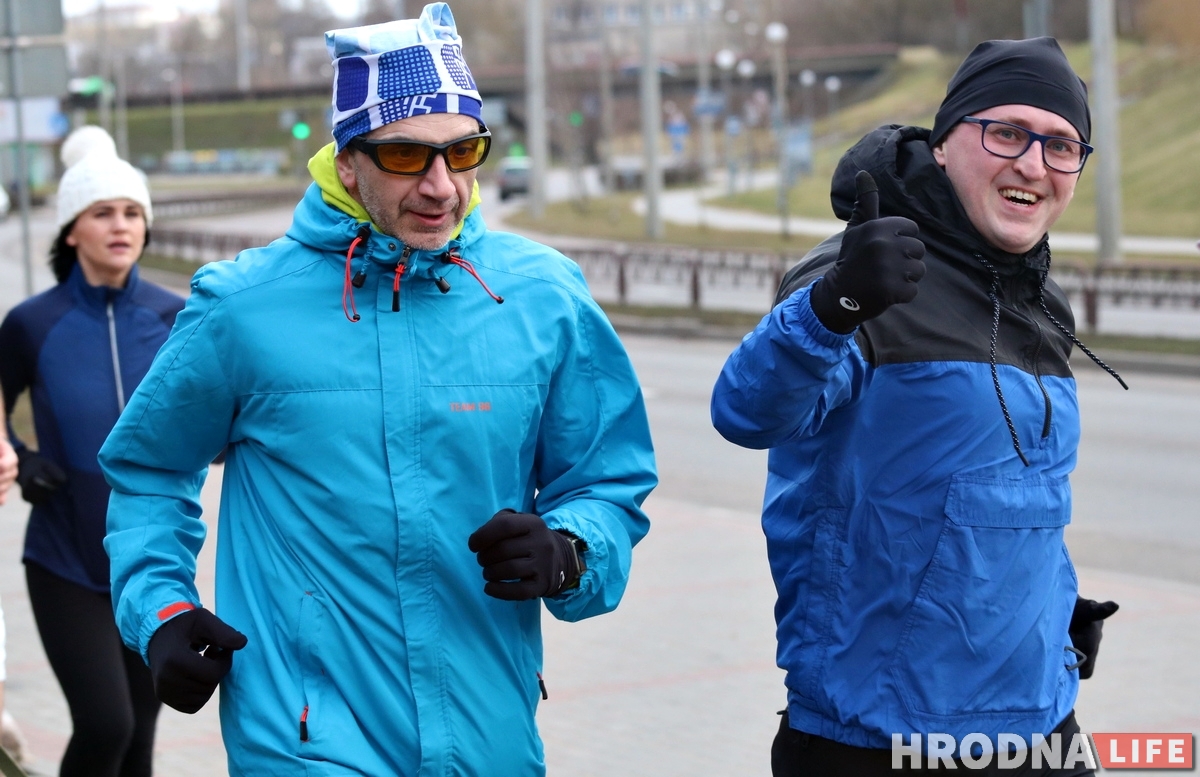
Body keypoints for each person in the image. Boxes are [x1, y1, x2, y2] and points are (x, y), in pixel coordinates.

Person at [98, 4, 656, 775]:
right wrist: (160, 611)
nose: (440, 186)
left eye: (463, 153)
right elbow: (149, 470)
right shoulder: (242, 306)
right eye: (406, 157)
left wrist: (571, 549)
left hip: (487, 733)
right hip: (303, 740)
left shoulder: (546, 296)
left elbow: (606, 480)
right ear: (347, 160)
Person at [710, 37, 1122, 776]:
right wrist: (832, 305)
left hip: (1040, 721)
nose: (1033, 163)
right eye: (1006, 133)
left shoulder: (1039, 299)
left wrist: (1044, 607)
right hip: (881, 735)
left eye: (1061, 145)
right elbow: (748, 411)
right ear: (943, 144)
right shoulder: (868, 272)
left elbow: (1002, 485)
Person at [0, 126, 183, 777]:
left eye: (132, 212)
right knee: (107, 724)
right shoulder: (31, 322)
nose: (120, 224)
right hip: (63, 558)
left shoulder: (176, 317)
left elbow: (215, 415)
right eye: (102, 211)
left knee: (141, 736)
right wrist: (18, 451)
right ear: (71, 229)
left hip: (153, 558)